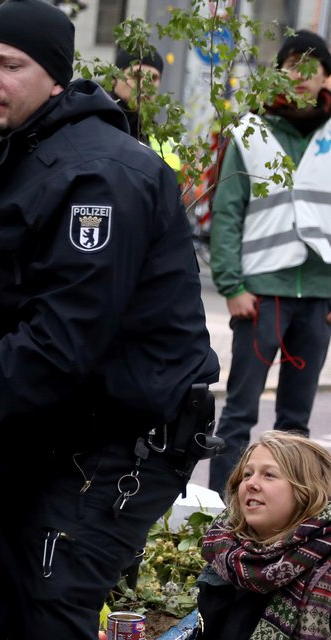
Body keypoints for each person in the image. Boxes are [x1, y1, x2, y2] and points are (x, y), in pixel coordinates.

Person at [0, 1, 220, 638]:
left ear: (55, 77)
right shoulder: (2, 155)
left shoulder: (97, 175)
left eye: (11, 64)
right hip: (52, 417)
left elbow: (61, 339)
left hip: (125, 432)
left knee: (52, 601)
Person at [207, 30, 331, 497]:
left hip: (319, 298)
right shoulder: (249, 131)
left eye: (311, 66)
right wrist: (232, 285)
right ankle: (222, 514)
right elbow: (227, 211)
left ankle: (292, 521)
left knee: (295, 423)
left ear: (326, 77)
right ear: (277, 72)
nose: (300, 75)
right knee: (239, 413)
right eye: (292, 64)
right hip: (260, 297)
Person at [197, 431, 331, 640]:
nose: (251, 483)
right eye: (247, 474)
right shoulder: (225, 550)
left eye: (269, 475)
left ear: (306, 491)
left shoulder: (325, 570)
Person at [108, 45, 181, 171]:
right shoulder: (97, 123)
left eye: (153, 78)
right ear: (115, 79)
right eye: (136, 75)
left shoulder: (164, 142)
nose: (144, 85)